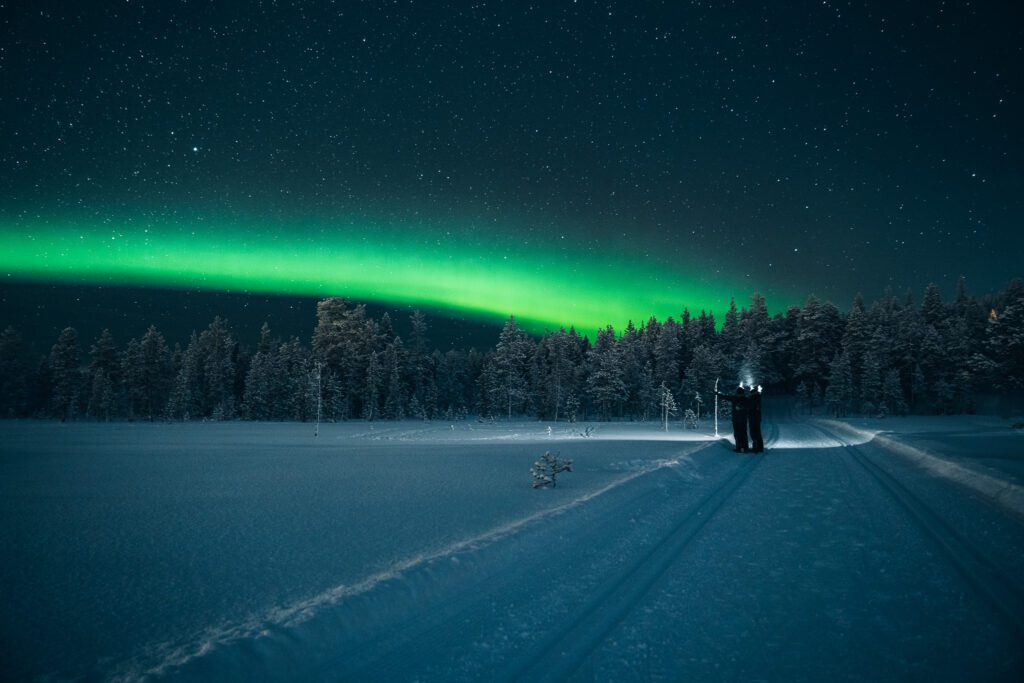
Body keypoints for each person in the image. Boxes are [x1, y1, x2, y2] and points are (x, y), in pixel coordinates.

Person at [714, 384, 749, 452]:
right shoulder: (744, 399)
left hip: (738, 419)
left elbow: (726, 397)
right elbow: (726, 397)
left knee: (739, 433)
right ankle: (744, 447)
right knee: (742, 433)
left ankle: (740, 447)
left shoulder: (736, 398)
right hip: (741, 419)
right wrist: (718, 394)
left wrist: (718, 394)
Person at [747, 384, 764, 453]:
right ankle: (759, 447)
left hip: (753, 418)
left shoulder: (753, 399)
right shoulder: (757, 397)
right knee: (757, 433)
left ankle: (756, 447)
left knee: (754, 433)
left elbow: (750, 407)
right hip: (755, 418)